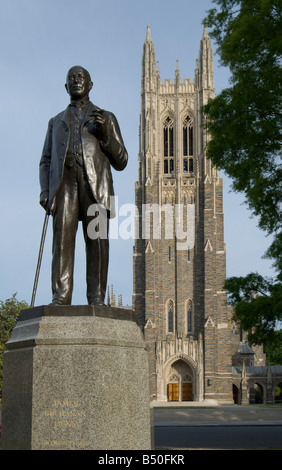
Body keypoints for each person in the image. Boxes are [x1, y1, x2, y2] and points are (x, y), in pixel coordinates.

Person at [39, 66, 128, 305]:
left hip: (96, 187)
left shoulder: (105, 117)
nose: (76, 81)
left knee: (97, 241)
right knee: (61, 241)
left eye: (81, 78)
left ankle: (97, 295)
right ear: (65, 87)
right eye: (71, 78)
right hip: (64, 186)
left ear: (90, 84)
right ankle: (61, 294)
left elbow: (122, 160)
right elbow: (46, 160)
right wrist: (46, 191)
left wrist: (105, 137)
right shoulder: (55, 122)